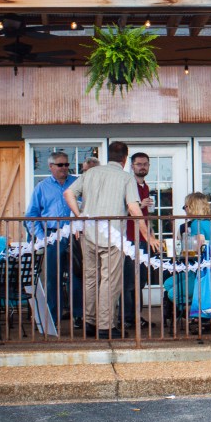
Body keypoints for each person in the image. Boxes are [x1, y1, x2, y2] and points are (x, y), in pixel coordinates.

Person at [64, 141, 143, 340]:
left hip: (89, 233)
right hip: (113, 235)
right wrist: (148, 234)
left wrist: (79, 216)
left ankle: (89, 321)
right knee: (110, 279)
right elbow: (133, 208)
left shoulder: (90, 173)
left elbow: (68, 193)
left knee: (90, 278)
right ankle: (106, 326)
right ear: (125, 158)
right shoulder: (126, 177)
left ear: (108, 156)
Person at [24, 151, 82, 328]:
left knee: (77, 276)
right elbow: (31, 215)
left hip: (75, 235)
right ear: (50, 166)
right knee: (52, 279)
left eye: (67, 164)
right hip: (52, 235)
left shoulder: (77, 183)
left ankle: (79, 316)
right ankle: (52, 319)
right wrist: (42, 238)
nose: (64, 168)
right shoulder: (42, 187)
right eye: (60, 165)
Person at [123, 152, 164, 329]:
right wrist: (140, 205)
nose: (142, 167)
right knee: (129, 281)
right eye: (139, 164)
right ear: (132, 166)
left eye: (145, 164)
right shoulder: (128, 184)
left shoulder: (145, 186)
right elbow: (122, 211)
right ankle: (127, 318)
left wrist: (152, 236)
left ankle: (136, 317)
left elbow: (146, 217)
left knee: (140, 280)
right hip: (129, 239)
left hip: (143, 239)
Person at [172, 192, 211, 320]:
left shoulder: (196, 223)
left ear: (192, 207)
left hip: (202, 272)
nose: (184, 210)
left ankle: (192, 313)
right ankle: (195, 312)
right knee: (168, 284)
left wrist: (186, 248)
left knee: (172, 293)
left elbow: (199, 247)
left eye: (185, 206)